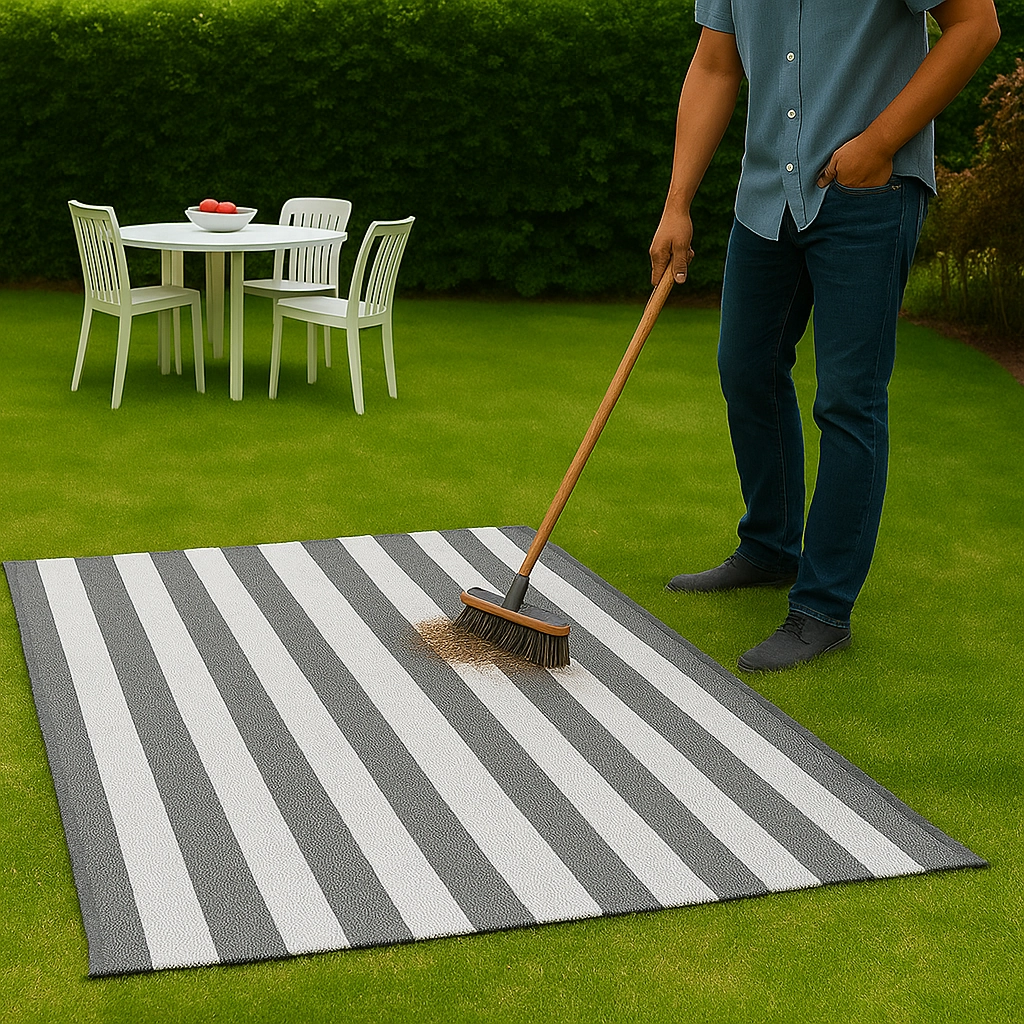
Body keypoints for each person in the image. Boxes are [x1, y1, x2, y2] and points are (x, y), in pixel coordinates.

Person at [650, 0, 1000, 672]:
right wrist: (677, 203)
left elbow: (976, 25)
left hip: (870, 194)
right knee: (746, 368)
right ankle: (770, 547)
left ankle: (822, 608)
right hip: (764, 198)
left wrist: (879, 142)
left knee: (849, 399)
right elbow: (716, 63)